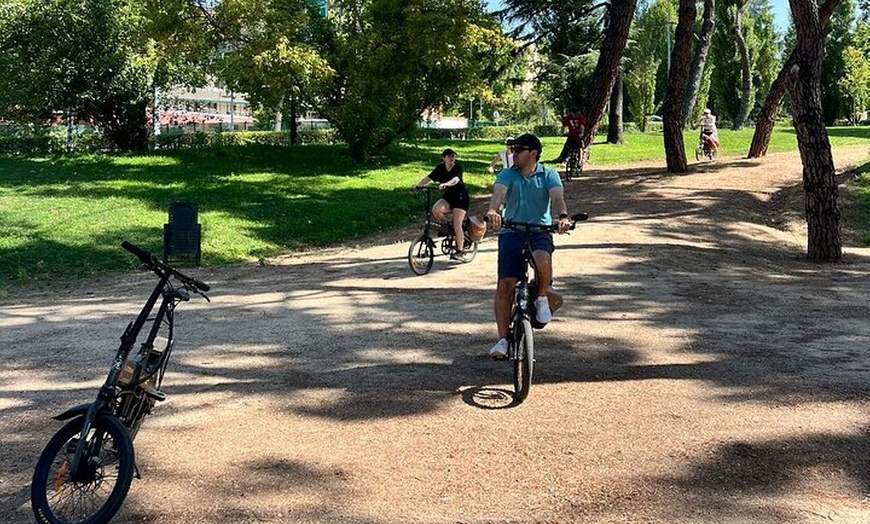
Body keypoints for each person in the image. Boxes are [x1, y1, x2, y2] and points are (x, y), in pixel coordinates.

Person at [485, 133, 571, 359]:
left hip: (539, 231)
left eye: (518, 150)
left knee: (543, 260)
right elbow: (499, 194)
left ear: (533, 153)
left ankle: (541, 297)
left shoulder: (549, 175)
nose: (513, 154)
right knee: (505, 285)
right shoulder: (508, 174)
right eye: (512, 150)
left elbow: (557, 197)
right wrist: (493, 211)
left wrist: (562, 216)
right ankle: (502, 340)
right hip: (511, 231)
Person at [414, 148, 470, 260]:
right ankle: (445, 227)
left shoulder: (457, 168)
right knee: (436, 209)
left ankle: (460, 250)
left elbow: (455, 179)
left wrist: (446, 184)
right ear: (443, 158)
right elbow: (429, 178)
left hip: (460, 198)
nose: (452, 158)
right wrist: (418, 185)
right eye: (449, 156)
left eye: (453, 156)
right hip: (448, 198)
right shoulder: (440, 168)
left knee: (457, 224)